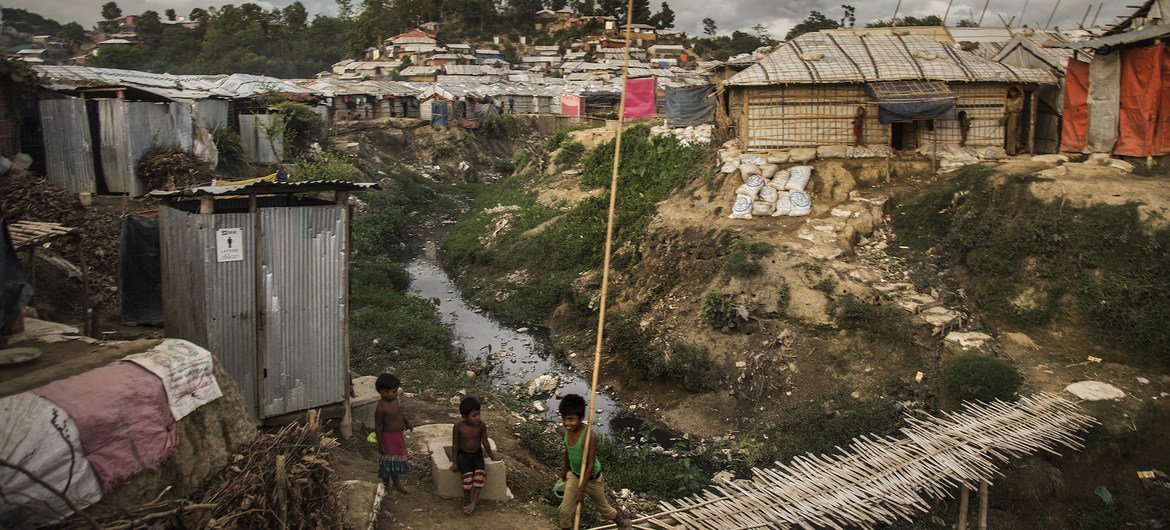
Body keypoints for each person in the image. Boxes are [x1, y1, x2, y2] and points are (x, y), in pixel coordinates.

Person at [558, 394, 631, 529]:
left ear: (581, 418)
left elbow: (590, 465)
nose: (567, 423)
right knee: (564, 511)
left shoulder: (590, 437)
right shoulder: (565, 432)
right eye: (564, 418)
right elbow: (567, 452)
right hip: (574, 475)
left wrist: (582, 489)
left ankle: (622, 523)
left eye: (571, 419)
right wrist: (565, 470)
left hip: (592, 479)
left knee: (604, 508)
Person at [450, 397, 500, 515]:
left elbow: (485, 442)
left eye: (479, 414)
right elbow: (455, 445)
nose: (478, 417)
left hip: (477, 454)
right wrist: (455, 462)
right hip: (463, 455)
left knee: (479, 476)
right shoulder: (458, 427)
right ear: (464, 416)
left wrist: (492, 456)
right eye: (474, 415)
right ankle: (467, 501)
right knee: (467, 479)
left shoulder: (481, 426)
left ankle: (475, 502)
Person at [375, 373, 412, 494]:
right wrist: (380, 443)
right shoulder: (381, 408)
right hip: (388, 438)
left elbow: (399, 413)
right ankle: (386, 485)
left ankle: (396, 483)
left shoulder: (395, 400)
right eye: (394, 391)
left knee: (395, 460)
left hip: (397, 436)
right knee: (387, 462)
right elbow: (378, 426)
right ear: (383, 392)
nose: (396, 393)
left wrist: (407, 422)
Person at [1004, 86, 1024, 155]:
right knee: (1009, 134)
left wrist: (1012, 111)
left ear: (1016, 92)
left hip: (1016, 117)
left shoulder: (1019, 99)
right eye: (1011, 92)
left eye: (1013, 92)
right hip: (1009, 118)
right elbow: (1006, 109)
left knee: (1015, 134)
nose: (1012, 93)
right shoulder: (1008, 100)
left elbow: (1020, 108)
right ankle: (1009, 151)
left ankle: (1015, 150)